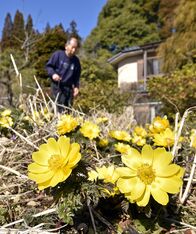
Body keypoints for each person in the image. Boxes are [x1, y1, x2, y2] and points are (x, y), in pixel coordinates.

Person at [46, 36, 81, 112]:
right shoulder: (58, 55)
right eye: (72, 47)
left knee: (68, 110)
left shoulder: (76, 61)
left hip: (69, 89)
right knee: (58, 109)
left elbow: (77, 77)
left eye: (76, 48)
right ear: (66, 46)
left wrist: (76, 87)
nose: (74, 50)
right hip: (57, 86)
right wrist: (53, 74)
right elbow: (49, 66)